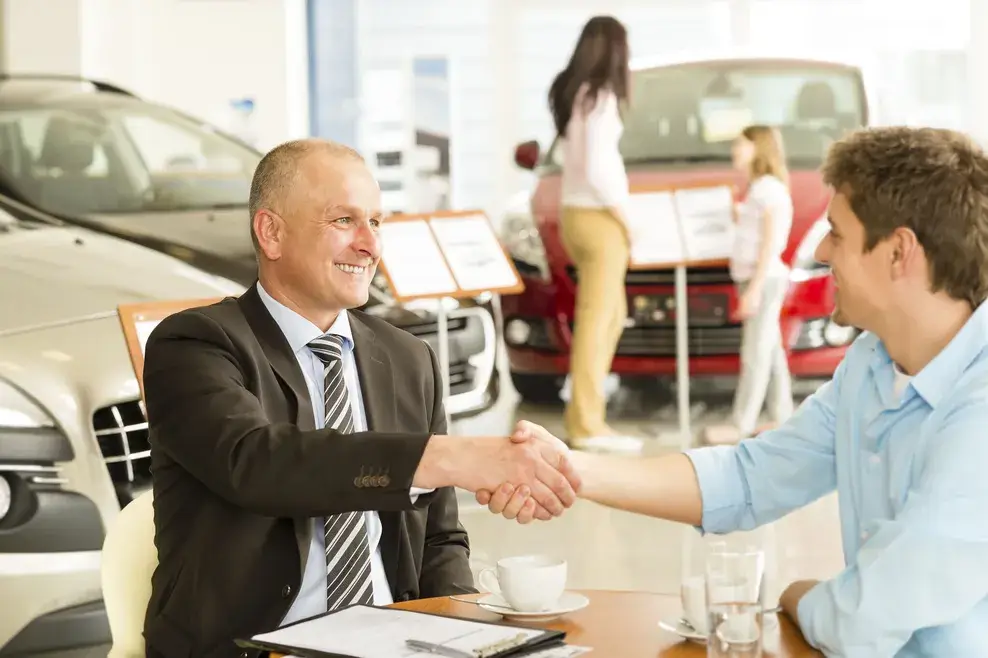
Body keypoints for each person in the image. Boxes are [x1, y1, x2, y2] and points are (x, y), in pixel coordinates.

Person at [481, 126, 988, 656]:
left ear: (898, 252)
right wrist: (568, 468)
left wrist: (797, 596)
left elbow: (863, 616)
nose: (819, 250)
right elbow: (751, 477)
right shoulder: (870, 364)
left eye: (836, 233)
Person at [141, 139, 581, 657]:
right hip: (253, 646)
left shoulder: (407, 358)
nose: (370, 245)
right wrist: (449, 457)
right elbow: (258, 463)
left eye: (377, 222)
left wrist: (467, 636)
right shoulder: (195, 344)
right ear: (271, 232)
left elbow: (438, 540)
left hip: (398, 639)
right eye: (343, 221)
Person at [549, 15, 633, 446]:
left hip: (575, 213)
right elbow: (600, 167)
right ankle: (586, 423)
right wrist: (624, 215)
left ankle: (587, 414)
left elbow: (570, 159)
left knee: (609, 315)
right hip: (599, 217)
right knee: (599, 320)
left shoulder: (578, 94)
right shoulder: (600, 97)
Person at [726, 125, 795, 439]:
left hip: (763, 281)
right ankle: (785, 416)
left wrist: (753, 289)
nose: (734, 151)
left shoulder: (768, 190)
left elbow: (769, 245)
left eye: (741, 145)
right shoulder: (759, 189)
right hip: (758, 279)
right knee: (771, 351)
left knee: (755, 353)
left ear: (759, 148)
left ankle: (740, 423)